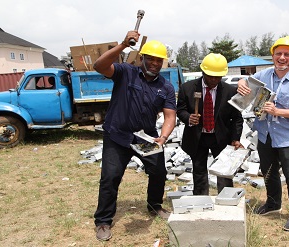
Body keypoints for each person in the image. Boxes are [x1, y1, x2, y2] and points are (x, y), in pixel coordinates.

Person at [92, 30, 177, 241]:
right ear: (142, 58)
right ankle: (103, 221)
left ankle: (154, 206)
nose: (155, 63)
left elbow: (170, 116)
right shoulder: (125, 72)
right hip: (117, 136)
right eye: (151, 59)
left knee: (158, 172)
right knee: (110, 177)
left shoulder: (165, 87)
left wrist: (163, 138)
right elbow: (99, 66)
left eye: (159, 60)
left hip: (146, 139)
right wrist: (122, 45)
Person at [237, 36, 289, 231]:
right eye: (278, 53)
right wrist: (240, 81)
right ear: (272, 55)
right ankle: (273, 204)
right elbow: (246, 82)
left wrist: (278, 111)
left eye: (287, 54)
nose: (282, 57)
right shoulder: (265, 76)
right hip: (266, 135)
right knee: (269, 172)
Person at [177, 53, 243, 195]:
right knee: (199, 169)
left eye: (217, 77)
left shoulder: (230, 91)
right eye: (210, 76)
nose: (214, 80)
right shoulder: (187, 89)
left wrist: (236, 138)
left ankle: (226, 199)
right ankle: (201, 200)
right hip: (197, 137)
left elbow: (237, 117)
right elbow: (180, 110)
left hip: (221, 137)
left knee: (224, 171)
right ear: (203, 72)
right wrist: (188, 118)